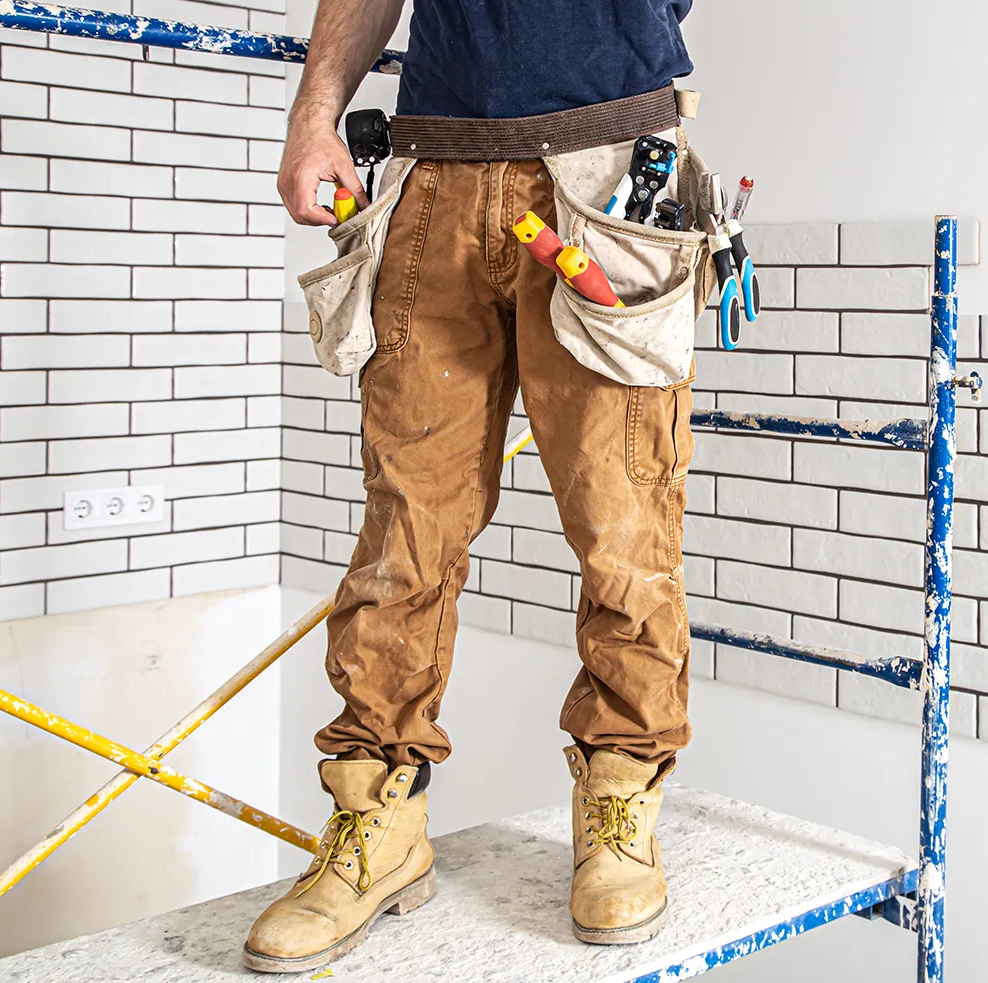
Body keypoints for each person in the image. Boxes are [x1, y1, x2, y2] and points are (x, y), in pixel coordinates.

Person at [242, 0, 698, 972]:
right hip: (435, 167)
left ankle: (619, 798)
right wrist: (314, 111)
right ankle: (377, 820)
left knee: (622, 521)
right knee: (404, 523)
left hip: (605, 160)